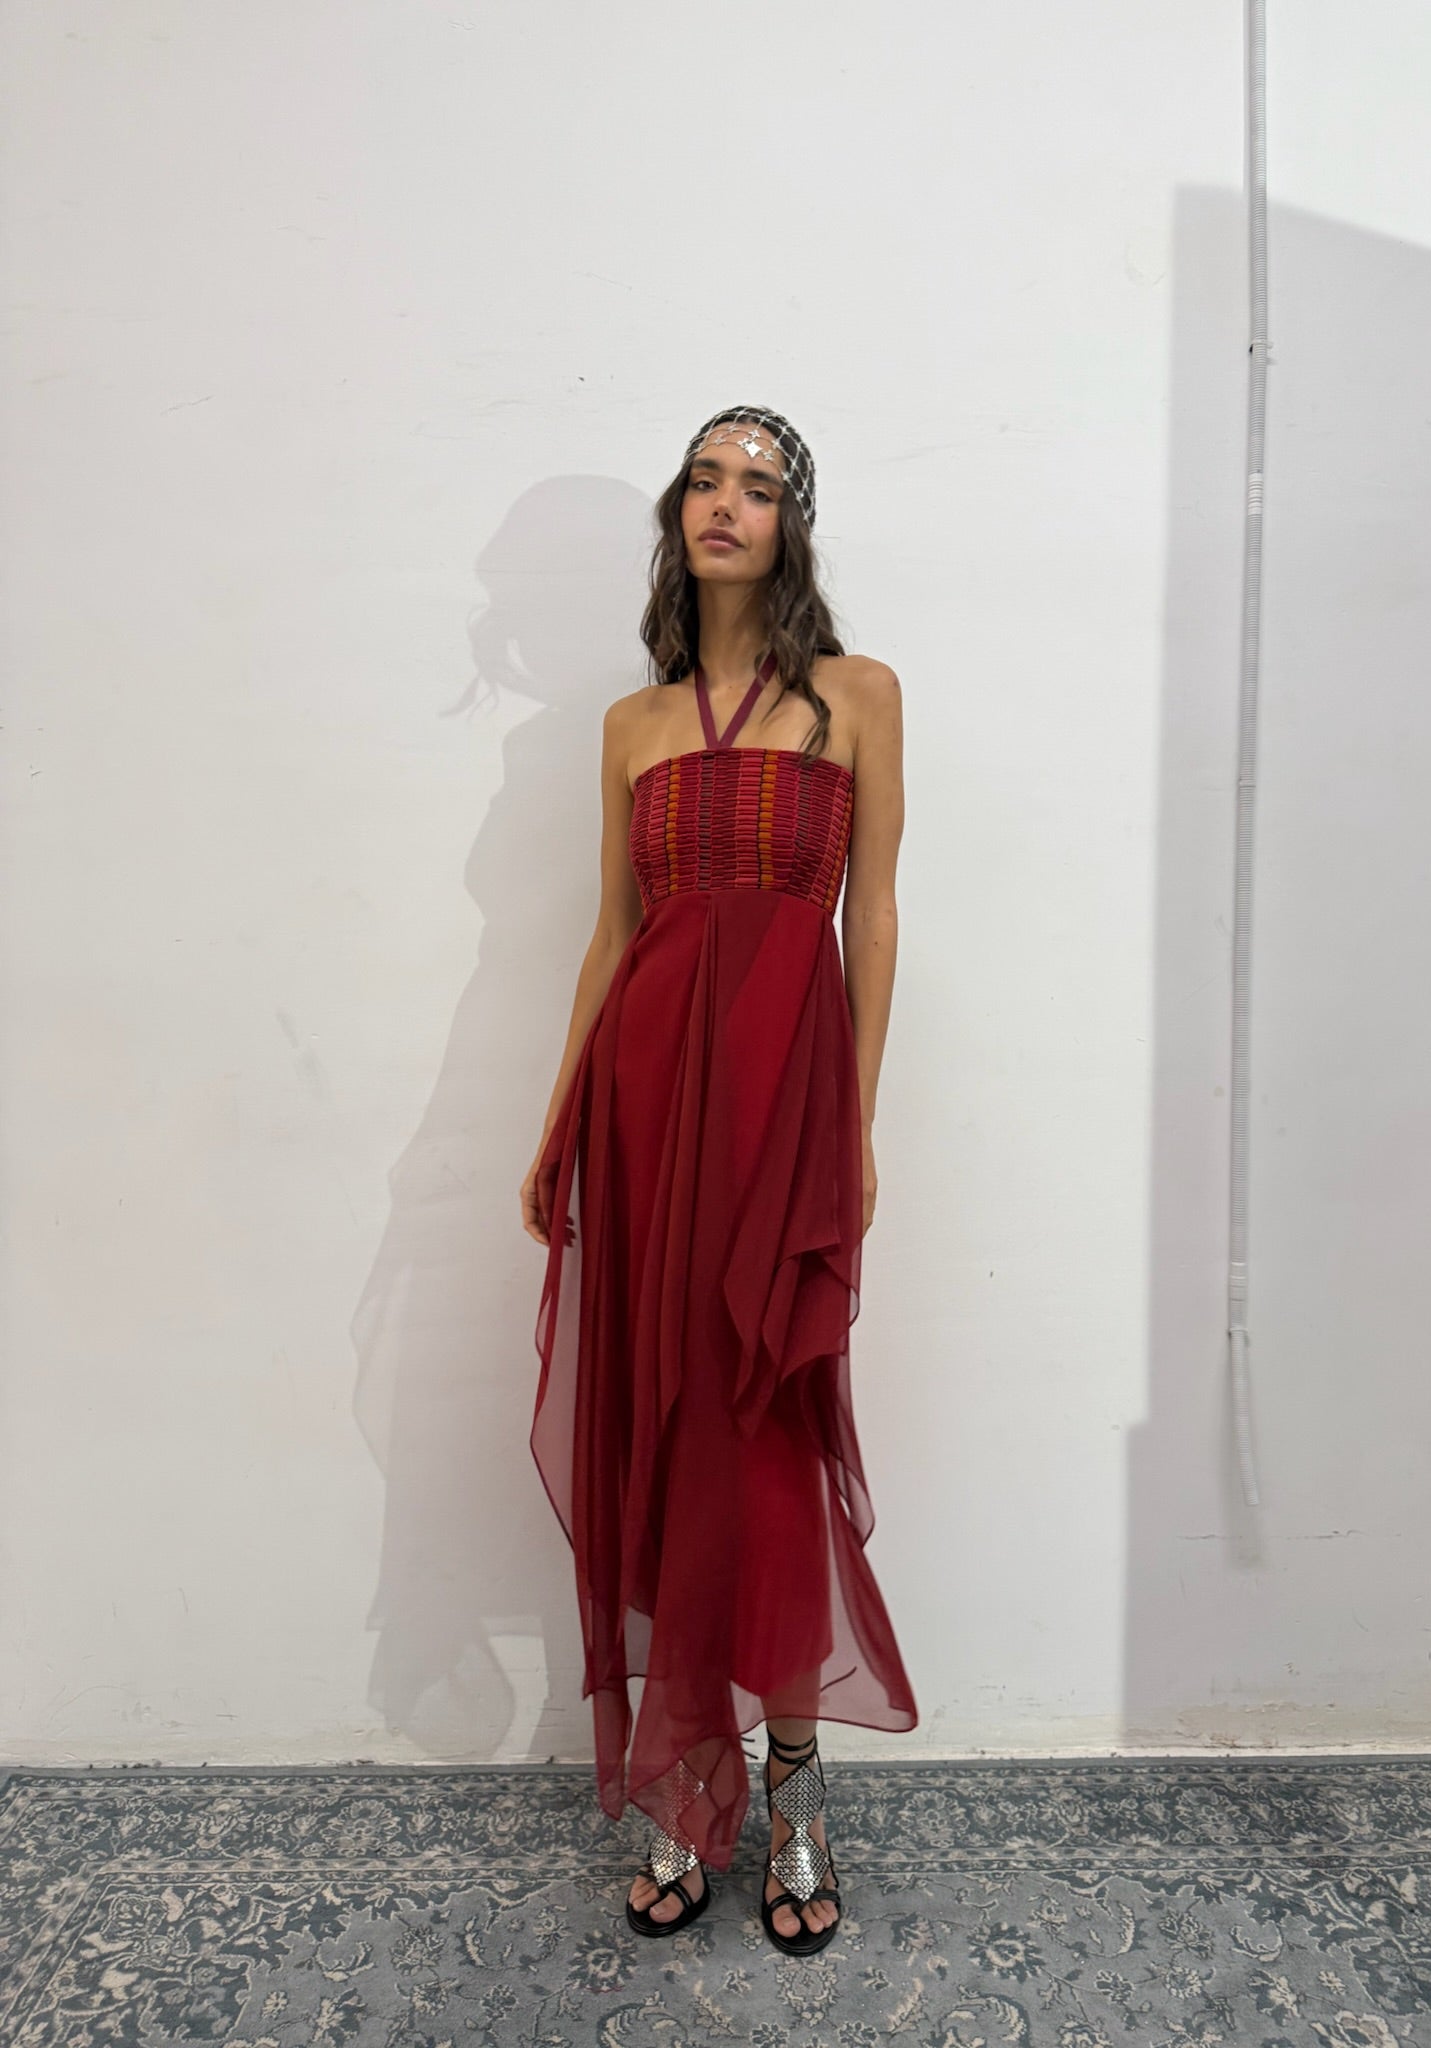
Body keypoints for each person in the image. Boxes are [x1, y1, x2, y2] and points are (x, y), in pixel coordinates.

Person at [522, 405, 917, 1958]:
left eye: (758, 487)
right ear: (678, 516)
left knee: (770, 1428)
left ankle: (798, 1793)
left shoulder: (860, 697)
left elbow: (871, 920)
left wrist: (854, 1125)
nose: (725, 505)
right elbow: (612, 939)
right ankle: (691, 1790)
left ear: (791, 524)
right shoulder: (630, 725)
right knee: (673, 1429)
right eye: (704, 480)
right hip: (646, 1106)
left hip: (782, 1104)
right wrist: (559, 1119)